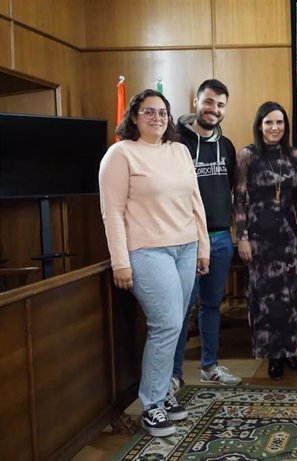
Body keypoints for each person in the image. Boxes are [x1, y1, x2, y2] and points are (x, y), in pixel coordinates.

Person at [99, 89, 210, 437]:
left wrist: (203, 246)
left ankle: (162, 394)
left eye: (162, 113)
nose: (157, 119)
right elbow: (112, 213)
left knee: (176, 324)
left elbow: (196, 202)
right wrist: (120, 261)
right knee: (166, 323)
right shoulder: (120, 154)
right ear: (134, 117)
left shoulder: (179, 151)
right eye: (149, 112)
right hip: (148, 251)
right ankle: (151, 405)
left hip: (186, 247)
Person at [172, 79, 241, 389]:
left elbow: (232, 190)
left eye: (221, 105)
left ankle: (209, 366)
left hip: (221, 239)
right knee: (182, 308)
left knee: (213, 305)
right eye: (209, 102)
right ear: (197, 102)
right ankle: (173, 374)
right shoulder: (175, 143)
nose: (214, 109)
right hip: (185, 240)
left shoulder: (226, 146)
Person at [234, 101, 297, 381]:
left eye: (279, 123)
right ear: (260, 125)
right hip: (258, 238)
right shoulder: (247, 155)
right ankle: (272, 357)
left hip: (288, 237)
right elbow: (239, 199)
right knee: (265, 298)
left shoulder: (294, 155)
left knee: (291, 297)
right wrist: (242, 237)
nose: (275, 128)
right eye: (269, 122)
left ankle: (290, 352)